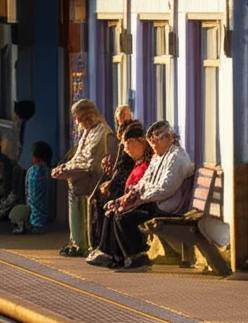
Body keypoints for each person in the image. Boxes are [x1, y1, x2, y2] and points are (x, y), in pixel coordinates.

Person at [105, 120, 195, 272]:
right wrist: (129, 195)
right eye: (151, 141)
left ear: (169, 138)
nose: (153, 145)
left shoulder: (176, 158)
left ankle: (139, 258)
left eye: (157, 140)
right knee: (114, 212)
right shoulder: (159, 156)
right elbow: (144, 181)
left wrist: (140, 197)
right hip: (154, 201)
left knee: (125, 217)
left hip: (167, 206)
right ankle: (124, 257)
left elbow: (165, 189)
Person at [51, 99, 115, 257]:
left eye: (79, 118)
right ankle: (76, 241)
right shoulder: (88, 130)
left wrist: (68, 169)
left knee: (83, 206)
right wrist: (65, 167)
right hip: (79, 176)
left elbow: (91, 161)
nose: (78, 122)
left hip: (93, 178)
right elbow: (78, 155)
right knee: (74, 204)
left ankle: (85, 242)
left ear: (89, 115)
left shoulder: (102, 131)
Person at [87, 122, 151, 267]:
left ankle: (128, 255)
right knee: (110, 212)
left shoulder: (147, 164)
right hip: (134, 201)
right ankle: (109, 253)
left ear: (140, 142)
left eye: (129, 143)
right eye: (124, 144)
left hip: (145, 204)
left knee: (119, 215)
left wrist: (124, 201)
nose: (126, 149)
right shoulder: (139, 163)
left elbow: (143, 189)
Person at [10, 141, 53, 235]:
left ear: (36, 157)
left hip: (34, 221)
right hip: (46, 220)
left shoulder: (34, 171)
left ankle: (25, 225)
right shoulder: (48, 171)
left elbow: (31, 196)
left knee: (16, 212)